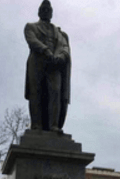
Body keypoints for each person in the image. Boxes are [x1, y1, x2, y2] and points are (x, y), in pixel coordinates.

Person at [24, 0, 71, 133]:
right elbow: (32, 41)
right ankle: (37, 125)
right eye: (43, 10)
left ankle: (54, 125)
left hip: (54, 65)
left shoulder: (59, 32)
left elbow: (64, 46)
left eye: (48, 10)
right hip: (37, 63)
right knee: (36, 93)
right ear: (39, 12)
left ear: (51, 13)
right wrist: (46, 50)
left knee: (55, 92)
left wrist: (61, 56)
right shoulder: (30, 26)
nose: (46, 12)